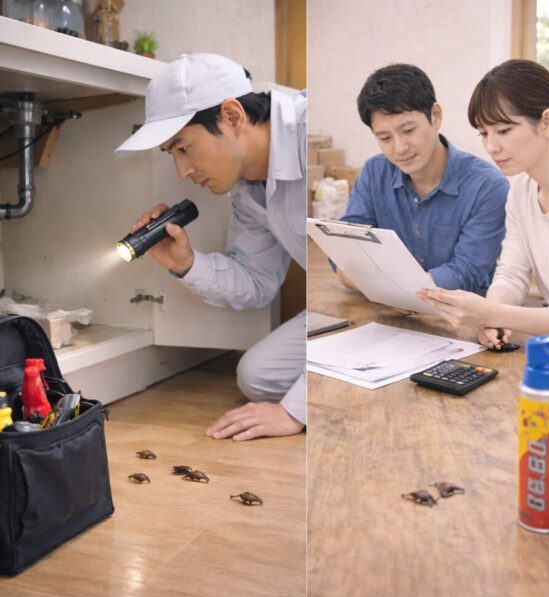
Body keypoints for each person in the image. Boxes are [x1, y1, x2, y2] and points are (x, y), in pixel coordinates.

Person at [116, 53, 306, 441]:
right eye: (172, 154)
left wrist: (296, 411)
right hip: (338, 310)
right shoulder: (247, 190)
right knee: (258, 377)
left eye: (184, 148)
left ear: (233, 116)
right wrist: (186, 263)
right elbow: (257, 283)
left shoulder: (310, 134)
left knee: (304, 393)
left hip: (393, 295)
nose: (182, 171)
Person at [417, 59, 549, 345]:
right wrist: (491, 320)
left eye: (503, 130)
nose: (491, 146)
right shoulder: (522, 189)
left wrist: (494, 313)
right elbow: (511, 274)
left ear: (547, 123)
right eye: (484, 133)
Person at [335, 64, 508, 294]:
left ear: (435, 116)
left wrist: (381, 282)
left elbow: (467, 271)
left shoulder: (488, 187)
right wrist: (349, 268)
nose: (400, 148)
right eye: (385, 138)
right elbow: (346, 252)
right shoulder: (374, 173)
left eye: (408, 131)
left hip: (461, 311)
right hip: (385, 308)